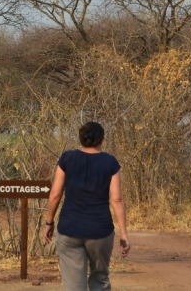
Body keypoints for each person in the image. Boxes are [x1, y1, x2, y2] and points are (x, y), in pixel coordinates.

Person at [41, 121, 130, 291]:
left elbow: (55, 194)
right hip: (100, 231)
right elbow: (117, 200)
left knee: (74, 285)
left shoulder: (67, 158)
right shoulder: (110, 163)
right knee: (100, 279)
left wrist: (49, 223)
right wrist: (124, 235)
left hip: (69, 229)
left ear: (81, 139)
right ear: (101, 140)